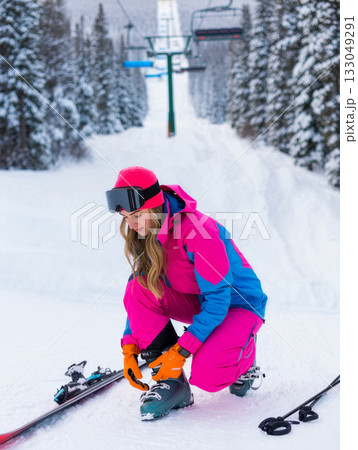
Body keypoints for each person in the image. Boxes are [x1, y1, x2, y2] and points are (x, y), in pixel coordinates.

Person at [105, 166, 268, 421]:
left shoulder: (198, 231)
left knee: (209, 376)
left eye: (136, 215)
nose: (131, 225)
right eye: (126, 218)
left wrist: (182, 350)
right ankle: (173, 385)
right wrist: (130, 346)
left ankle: (245, 354)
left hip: (237, 304)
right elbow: (139, 298)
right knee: (139, 285)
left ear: (154, 206)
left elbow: (218, 300)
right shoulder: (149, 233)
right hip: (197, 300)